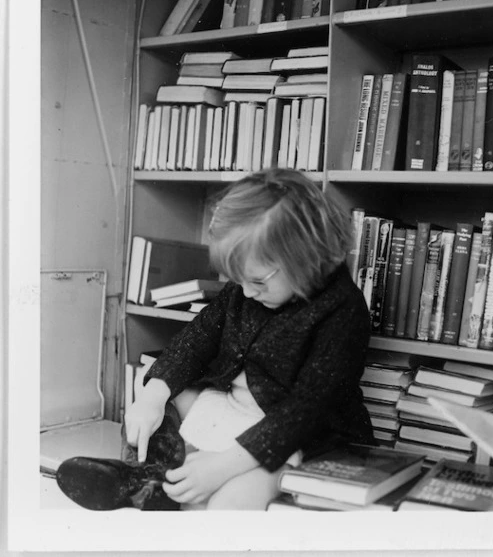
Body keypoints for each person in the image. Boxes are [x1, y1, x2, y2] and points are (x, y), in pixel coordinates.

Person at [57, 168, 375, 511]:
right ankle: (146, 481)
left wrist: (221, 468)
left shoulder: (344, 310)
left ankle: (164, 488)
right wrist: (152, 395)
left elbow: (305, 412)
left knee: (232, 500)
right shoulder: (246, 288)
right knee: (154, 409)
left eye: (258, 281)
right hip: (235, 408)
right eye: (239, 280)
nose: (248, 292)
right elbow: (197, 339)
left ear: (306, 259)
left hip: (299, 435)